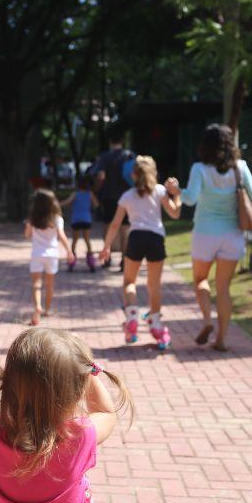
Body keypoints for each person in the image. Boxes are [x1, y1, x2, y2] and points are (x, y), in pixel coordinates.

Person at [0, 328, 132, 503]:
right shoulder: (77, 438)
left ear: (7, 384)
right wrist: (87, 366)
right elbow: (106, 412)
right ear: (76, 393)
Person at [167, 123, 252, 352]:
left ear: (205, 146)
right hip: (232, 235)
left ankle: (207, 321)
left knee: (200, 280)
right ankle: (222, 339)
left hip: (205, 233)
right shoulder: (240, 168)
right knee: (223, 288)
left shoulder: (200, 169)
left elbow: (190, 199)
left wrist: (177, 192)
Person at [99, 156, 181, 349]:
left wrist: (106, 246)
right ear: (153, 173)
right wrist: (176, 194)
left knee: (129, 282)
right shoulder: (160, 191)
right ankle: (158, 326)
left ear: (133, 175)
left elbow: (115, 224)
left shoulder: (127, 195)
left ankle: (133, 317)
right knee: (154, 285)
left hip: (136, 238)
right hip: (156, 239)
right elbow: (175, 213)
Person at [24, 189, 74, 326]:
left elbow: (27, 235)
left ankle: (37, 307)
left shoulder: (32, 218)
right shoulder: (57, 219)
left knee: (36, 284)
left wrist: (30, 228)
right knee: (49, 285)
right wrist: (69, 251)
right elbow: (61, 236)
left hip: (37, 254)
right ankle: (46, 310)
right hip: (52, 255)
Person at [92, 129, 134, 269]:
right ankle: (124, 259)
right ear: (123, 141)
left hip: (108, 196)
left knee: (108, 224)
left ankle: (107, 256)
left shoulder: (104, 157)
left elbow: (101, 176)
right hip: (127, 195)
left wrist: (97, 190)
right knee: (125, 227)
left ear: (110, 142)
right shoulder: (129, 156)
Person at [61, 175, 99, 272]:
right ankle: (91, 262)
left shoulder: (75, 194)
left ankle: (71, 262)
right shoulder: (89, 194)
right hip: (86, 219)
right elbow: (96, 204)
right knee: (87, 240)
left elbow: (67, 202)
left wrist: (58, 203)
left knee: (74, 241)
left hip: (76, 219)